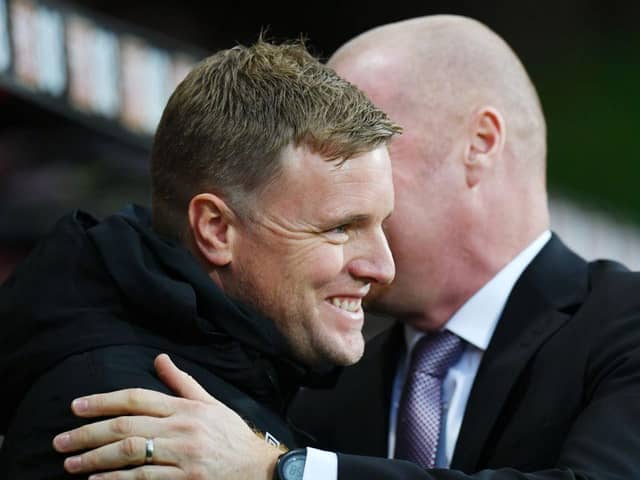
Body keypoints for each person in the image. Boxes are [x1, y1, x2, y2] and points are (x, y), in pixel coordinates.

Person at [48, 14, 640, 480]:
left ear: (479, 143)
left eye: (369, 135)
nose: (353, 164)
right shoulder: (318, 369)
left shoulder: (621, 327)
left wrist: (288, 472)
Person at [0, 38, 402, 479]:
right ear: (215, 229)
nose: (383, 268)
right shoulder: (129, 418)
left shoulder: (250, 368)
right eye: (340, 228)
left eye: (381, 224)